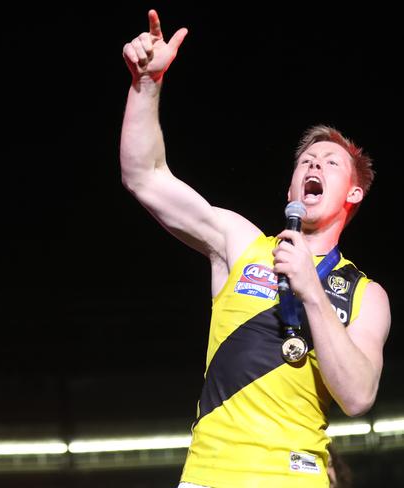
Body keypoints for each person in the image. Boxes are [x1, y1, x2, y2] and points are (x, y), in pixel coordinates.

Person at [120, 9, 390, 488]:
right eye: (306, 160)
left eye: (330, 162)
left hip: (295, 477)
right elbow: (145, 176)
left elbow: (358, 396)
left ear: (353, 194)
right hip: (210, 474)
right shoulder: (241, 243)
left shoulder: (367, 295)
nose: (314, 164)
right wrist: (147, 83)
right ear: (291, 190)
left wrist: (310, 290)